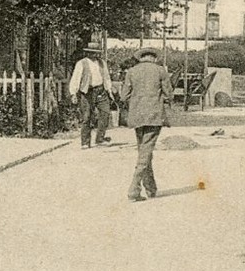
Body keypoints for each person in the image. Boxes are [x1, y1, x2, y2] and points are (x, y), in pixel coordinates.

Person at [119, 47, 173, 202]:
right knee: (146, 151)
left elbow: (124, 96)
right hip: (154, 116)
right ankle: (133, 189)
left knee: (144, 150)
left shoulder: (132, 71)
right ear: (154, 58)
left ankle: (150, 188)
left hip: (136, 116)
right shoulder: (160, 71)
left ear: (141, 58)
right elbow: (169, 94)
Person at [67, 45, 113, 148]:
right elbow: (75, 78)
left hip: (100, 90)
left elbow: (106, 77)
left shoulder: (102, 63)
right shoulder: (82, 63)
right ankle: (85, 142)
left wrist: (109, 90)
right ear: (87, 53)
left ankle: (100, 139)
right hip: (87, 91)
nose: (94, 54)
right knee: (86, 117)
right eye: (91, 52)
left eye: (96, 52)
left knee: (105, 113)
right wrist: (73, 93)